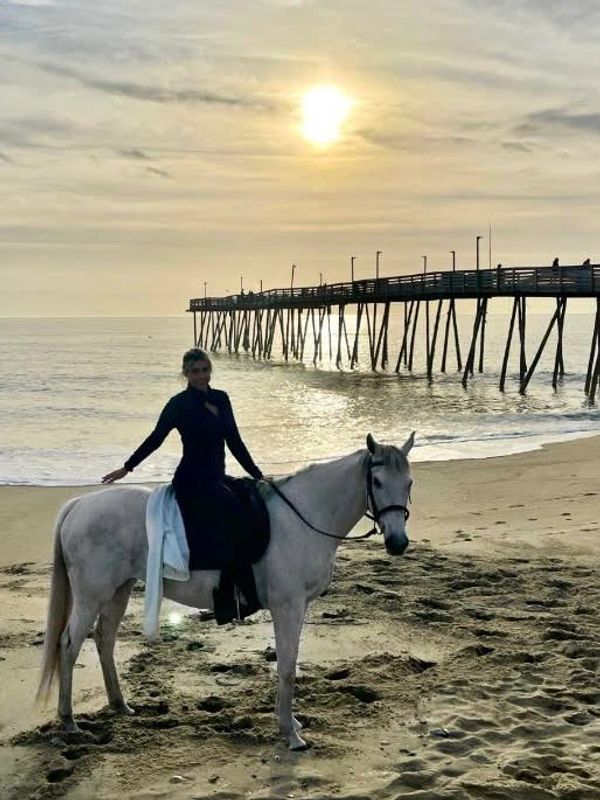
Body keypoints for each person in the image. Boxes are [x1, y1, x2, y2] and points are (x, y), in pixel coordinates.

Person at [102, 348, 263, 571]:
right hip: (192, 480)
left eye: (205, 370)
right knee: (231, 508)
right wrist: (127, 467)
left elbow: (235, 441)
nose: (201, 376)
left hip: (216, 476)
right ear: (185, 373)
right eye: (195, 371)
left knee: (250, 498)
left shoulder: (221, 398)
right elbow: (156, 439)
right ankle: (221, 583)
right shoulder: (179, 404)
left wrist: (258, 475)